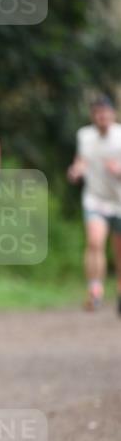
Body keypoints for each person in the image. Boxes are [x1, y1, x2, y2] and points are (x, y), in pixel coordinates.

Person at [67, 95, 121, 313]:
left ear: (113, 114)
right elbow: (81, 159)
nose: (102, 117)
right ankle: (95, 289)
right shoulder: (85, 135)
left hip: (119, 200)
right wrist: (76, 170)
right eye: (98, 113)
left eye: (105, 112)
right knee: (95, 241)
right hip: (95, 198)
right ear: (92, 116)